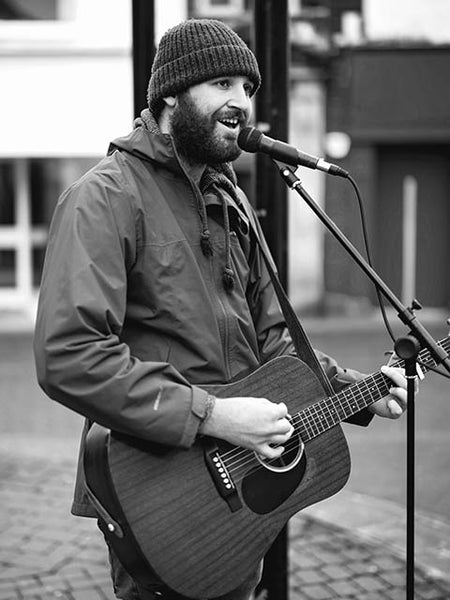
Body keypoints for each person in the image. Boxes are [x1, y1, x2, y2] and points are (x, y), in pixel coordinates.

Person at [34, 18, 410, 600]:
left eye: (248, 89)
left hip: (239, 490)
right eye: (222, 84)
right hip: (161, 493)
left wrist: (357, 391)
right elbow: (69, 355)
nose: (242, 102)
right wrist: (211, 415)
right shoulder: (104, 197)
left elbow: (275, 342)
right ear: (169, 95)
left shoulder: (232, 199)